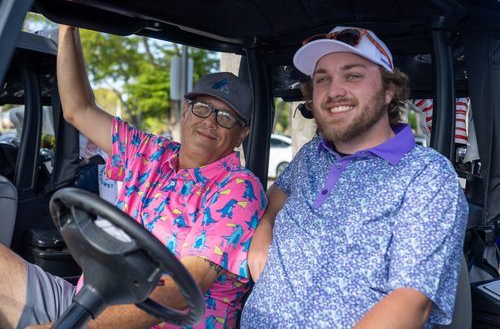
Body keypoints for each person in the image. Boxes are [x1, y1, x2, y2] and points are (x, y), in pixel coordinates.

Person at [0, 25, 266, 329]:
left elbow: (181, 291)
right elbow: (77, 109)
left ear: (241, 134)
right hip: (89, 301)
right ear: (185, 113)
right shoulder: (150, 152)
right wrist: (67, 26)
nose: (210, 123)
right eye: (203, 108)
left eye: (226, 117)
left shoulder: (239, 188)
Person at [242, 26, 468, 328]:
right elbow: (279, 192)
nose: (334, 91)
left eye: (353, 75)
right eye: (323, 79)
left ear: (389, 91)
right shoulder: (312, 155)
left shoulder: (426, 175)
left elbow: (411, 303)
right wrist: (264, 230)